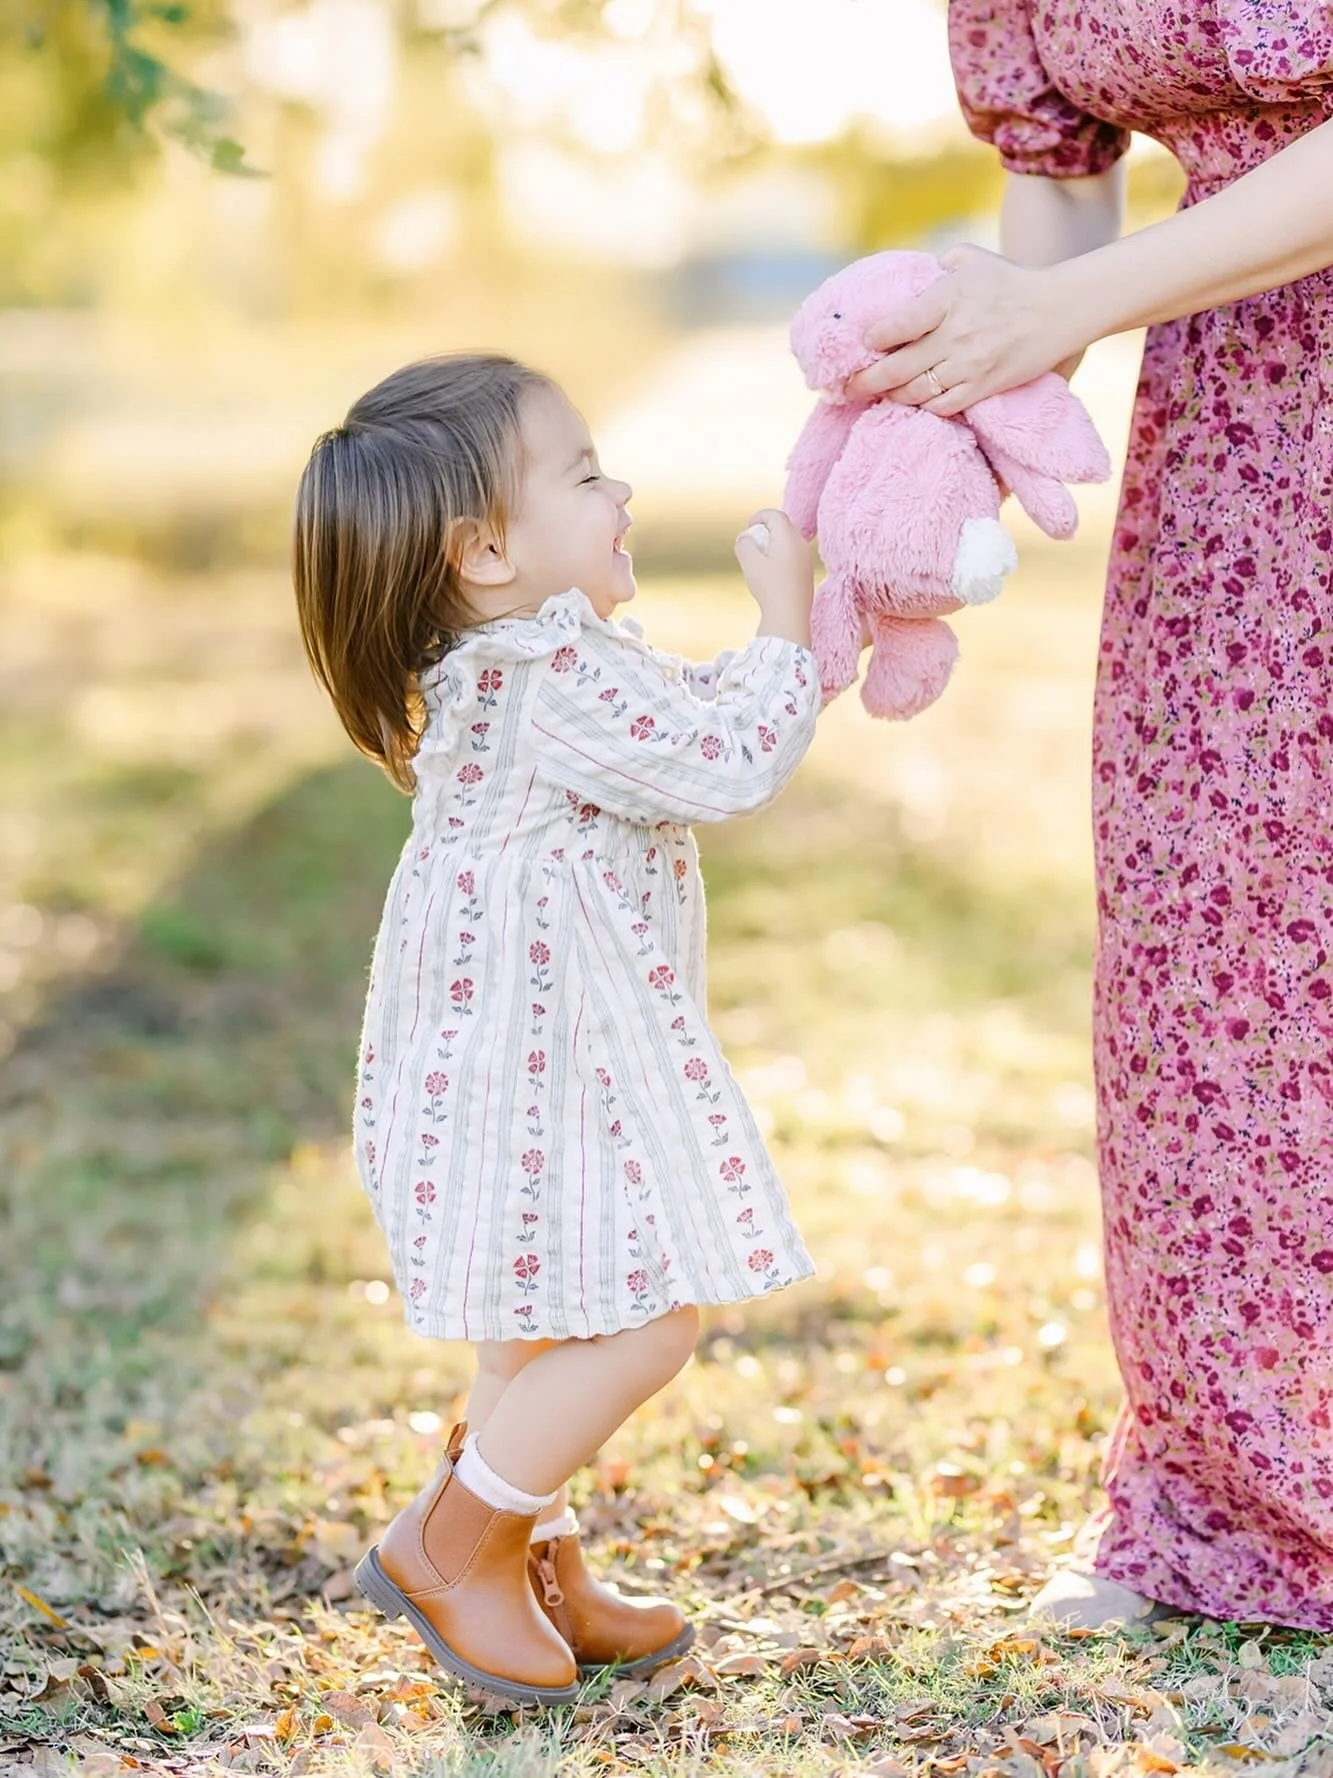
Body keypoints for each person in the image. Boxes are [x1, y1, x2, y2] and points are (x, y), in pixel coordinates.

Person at [848, 3, 1333, 1629]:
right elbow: (1062, 183)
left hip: (1232, 347)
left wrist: (1062, 303)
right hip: (1240, 425)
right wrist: (950, 415)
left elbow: (1081, 271)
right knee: (1214, 946)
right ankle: (1220, 1497)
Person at [291, 353, 820, 1704]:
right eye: (584, 473)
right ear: (484, 549)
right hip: (550, 1077)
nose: (621, 486)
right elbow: (726, 757)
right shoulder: (551, 680)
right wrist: (787, 623)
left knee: (529, 1329)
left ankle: (534, 1552)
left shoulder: (536, 667)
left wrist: (808, 646)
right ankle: (454, 1540)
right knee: (649, 1317)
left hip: (503, 1073)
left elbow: (690, 721)